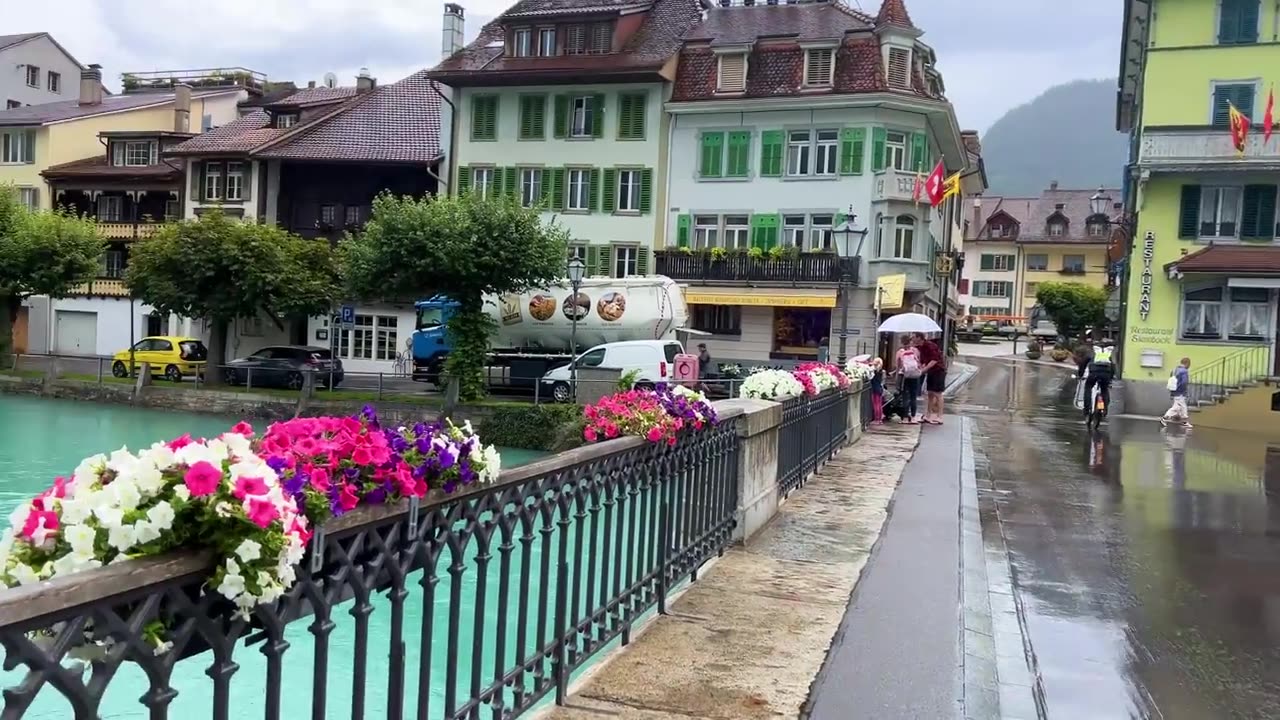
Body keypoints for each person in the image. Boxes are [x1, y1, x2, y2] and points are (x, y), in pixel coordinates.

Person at [914, 331, 946, 424]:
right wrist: (921, 367)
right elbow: (925, 360)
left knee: (938, 393)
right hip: (931, 372)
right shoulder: (921, 347)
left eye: (914, 337)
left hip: (938, 371)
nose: (913, 339)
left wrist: (924, 370)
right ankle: (928, 415)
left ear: (919, 337)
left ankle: (940, 416)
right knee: (930, 393)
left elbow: (934, 360)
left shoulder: (930, 345)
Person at [1081, 345, 1115, 421]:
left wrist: (1080, 374)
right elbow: (1113, 367)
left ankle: (1087, 409)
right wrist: (1111, 379)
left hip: (1094, 374)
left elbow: (1083, 364)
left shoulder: (1092, 353)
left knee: (1088, 387)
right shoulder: (1107, 355)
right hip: (1106, 375)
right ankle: (1104, 409)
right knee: (1104, 390)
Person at [894, 336, 923, 424]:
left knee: (905, 396)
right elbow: (919, 363)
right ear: (910, 342)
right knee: (913, 397)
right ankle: (913, 417)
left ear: (902, 342)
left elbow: (898, 366)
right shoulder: (915, 351)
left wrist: (896, 378)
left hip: (904, 376)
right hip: (914, 376)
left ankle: (905, 418)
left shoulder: (900, 352)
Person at [1161, 357, 1193, 428]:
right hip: (1180, 392)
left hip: (1174, 391)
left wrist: (1172, 391)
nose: (1189, 366)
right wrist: (1184, 391)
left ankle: (1184, 421)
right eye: (1189, 364)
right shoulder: (1184, 371)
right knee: (1180, 407)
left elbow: (1171, 380)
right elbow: (1184, 382)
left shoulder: (1175, 370)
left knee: (1179, 407)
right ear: (1187, 363)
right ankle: (1165, 418)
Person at [870, 357, 885, 424]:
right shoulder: (881, 371)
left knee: (875, 404)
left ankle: (876, 419)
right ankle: (880, 419)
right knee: (879, 404)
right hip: (880, 388)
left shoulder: (874, 371)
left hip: (875, 388)